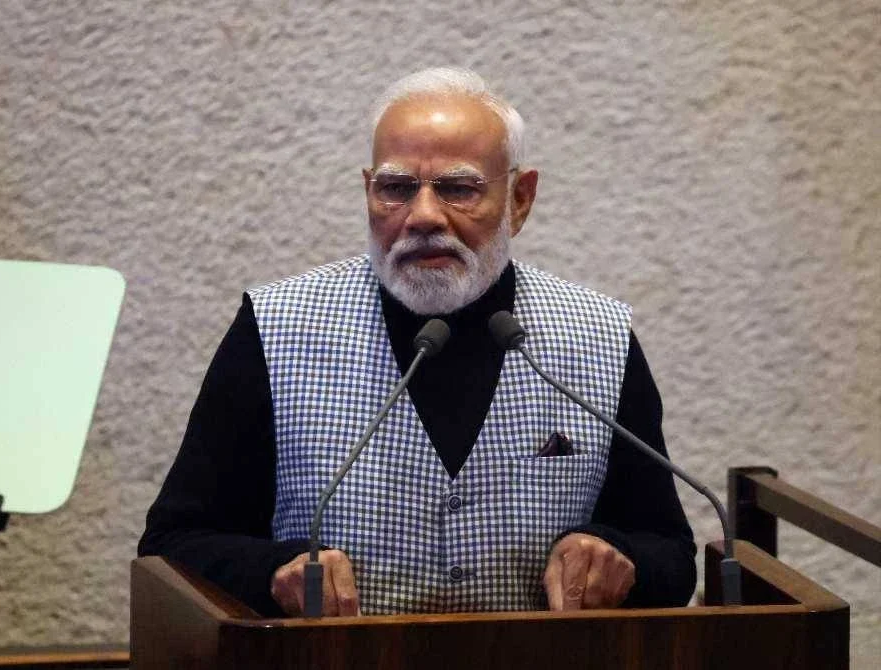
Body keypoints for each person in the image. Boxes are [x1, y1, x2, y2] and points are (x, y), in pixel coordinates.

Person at [139, 67, 696, 617]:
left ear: (519, 200)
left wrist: (618, 559)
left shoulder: (597, 336)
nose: (423, 215)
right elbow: (173, 543)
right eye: (396, 189)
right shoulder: (276, 326)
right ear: (368, 191)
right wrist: (272, 572)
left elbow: (671, 555)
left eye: (458, 188)